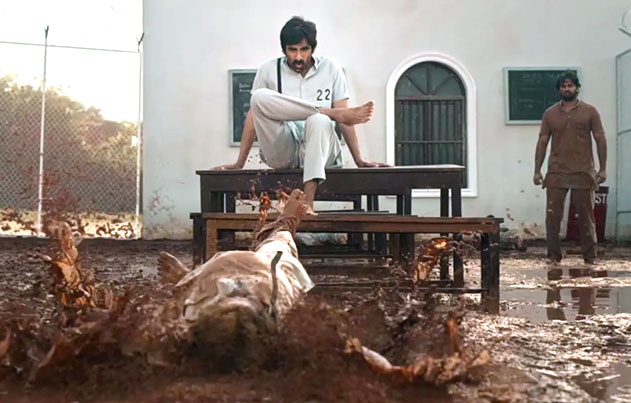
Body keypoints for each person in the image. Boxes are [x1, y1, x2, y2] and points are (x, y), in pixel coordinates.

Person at [214, 16, 388, 211]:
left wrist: (359, 160)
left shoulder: (331, 68)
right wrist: (239, 163)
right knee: (259, 97)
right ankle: (328, 112)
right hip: (283, 151)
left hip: (323, 151)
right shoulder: (268, 70)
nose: (298, 57)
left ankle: (307, 203)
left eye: (304, 49)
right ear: (284, 50)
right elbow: (253, 118)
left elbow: (346, 119)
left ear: (312, 49)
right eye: (292, 50)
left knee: (320, 120)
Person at [533, 70, 607, 265]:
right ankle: (553, 256)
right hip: (556, 172)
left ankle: (590, 257)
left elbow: (600, 138)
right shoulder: (550, 114)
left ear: (577, 88)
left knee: (586, 217)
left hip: (583, 171)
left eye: (570, 86)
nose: (567, 89)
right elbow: (542, 141)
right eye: (563, 86)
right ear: (559, 89)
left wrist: (602, 168)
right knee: (552, 216)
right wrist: (537, 170)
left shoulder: (590, 111)